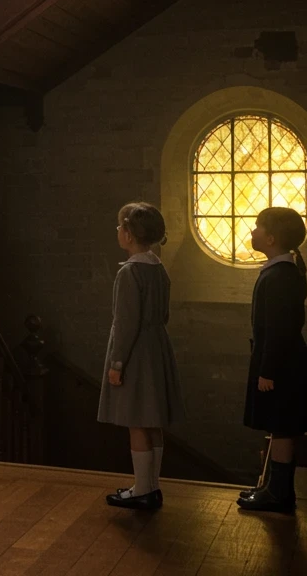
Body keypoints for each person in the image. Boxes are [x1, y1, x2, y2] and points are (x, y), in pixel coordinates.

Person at [97, 202, 185, 510]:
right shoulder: (158, 269)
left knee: (136, 421)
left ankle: (143, 490)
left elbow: (125, 323)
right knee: (152, 421)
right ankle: (151, 485)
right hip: (156, 348)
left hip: (135, 354)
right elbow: (163, 314)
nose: (119, 232)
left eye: (121, 227)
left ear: (130, 234)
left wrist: (117, 363)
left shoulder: (131, 272)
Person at [237, 206, 307, 514]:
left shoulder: (280, 276)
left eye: (258, 227)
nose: (252, 231)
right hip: (282, 361)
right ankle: (272, 488)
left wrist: (267, 370)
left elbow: (279, 328)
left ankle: (279, 494)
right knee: (278, 424)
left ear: (271, 238)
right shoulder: (280, 271)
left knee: (282, 426)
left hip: (281, 364)